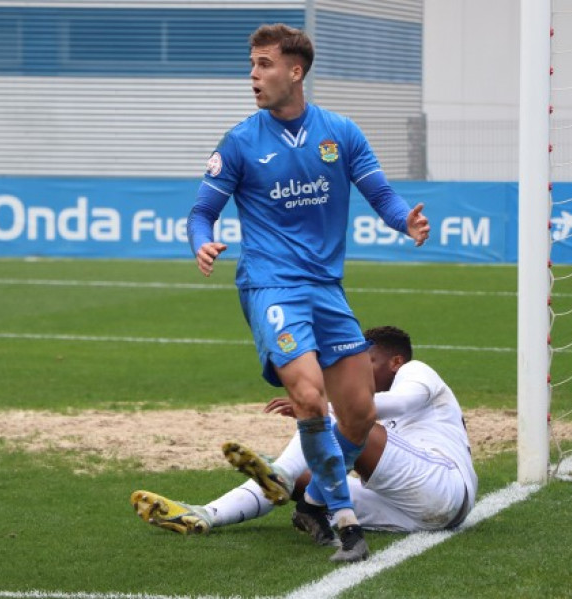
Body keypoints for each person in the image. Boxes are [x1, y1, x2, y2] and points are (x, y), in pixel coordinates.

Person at [183, 24, 430, 563]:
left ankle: (314, 499)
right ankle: (347, 524)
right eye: (251, 64)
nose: (253, 75)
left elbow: (378, 192)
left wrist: (402, 222)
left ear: (295, 72)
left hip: (325, 288)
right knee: (310, 397)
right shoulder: (241, 140)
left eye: (265, 64)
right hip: (270, 285)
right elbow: (202, 212)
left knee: (360, 414)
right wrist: (202, 243)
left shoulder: (339, 132)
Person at [131, 326, 477, 548]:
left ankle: (280, 472)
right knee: (302, 474)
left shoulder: (416, 372)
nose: (356, 372)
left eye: (366, 362)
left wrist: (324, 402)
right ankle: (206, 514)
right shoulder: (370, 400)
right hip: (411, 515)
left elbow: (400, 404)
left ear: (395, 361)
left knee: (342, 417)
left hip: (443, 484)